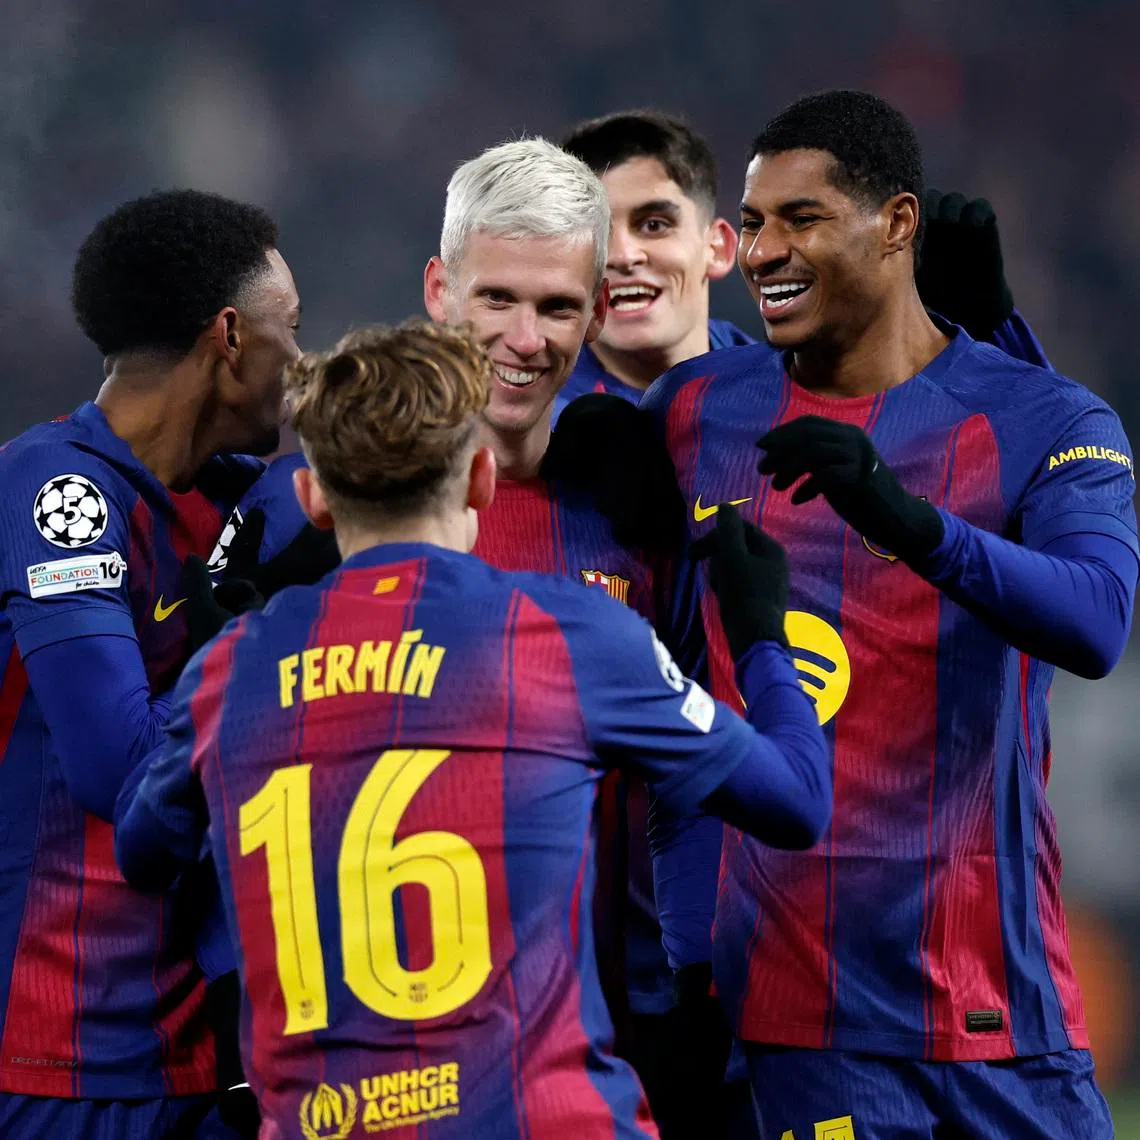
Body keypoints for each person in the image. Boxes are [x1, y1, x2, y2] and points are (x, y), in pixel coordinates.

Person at [113, 319, 832, 1140]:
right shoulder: (570, 633)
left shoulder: (230, 670)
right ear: (483, 478)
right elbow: (795, 801)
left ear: (312, 498)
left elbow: (145, 850)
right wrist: (760, 637)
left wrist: (208, 666)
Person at [642, 89, 1136, 1139]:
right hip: (808, 1031)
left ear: (898, 224)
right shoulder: (696, 418)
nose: (764, 249)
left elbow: (1096, 623)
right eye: (756, 220)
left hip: (1006, 1007)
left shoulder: (1045, 417)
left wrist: (906, 522)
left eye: (802, 218)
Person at [0, 188, 300, 1138]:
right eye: (290, 328)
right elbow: (119, 773)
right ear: (231, 336)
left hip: (209, 1055)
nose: (302, 358)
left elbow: (395, 456)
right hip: (64, 1057)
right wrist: (226, 644)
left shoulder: (240, 499)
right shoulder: (58, 491)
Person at [554, 110, 750, 419]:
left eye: (654, 225)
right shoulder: (533, 433)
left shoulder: (792, 389)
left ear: (718, 248)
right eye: (595, 234)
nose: (622, 256)